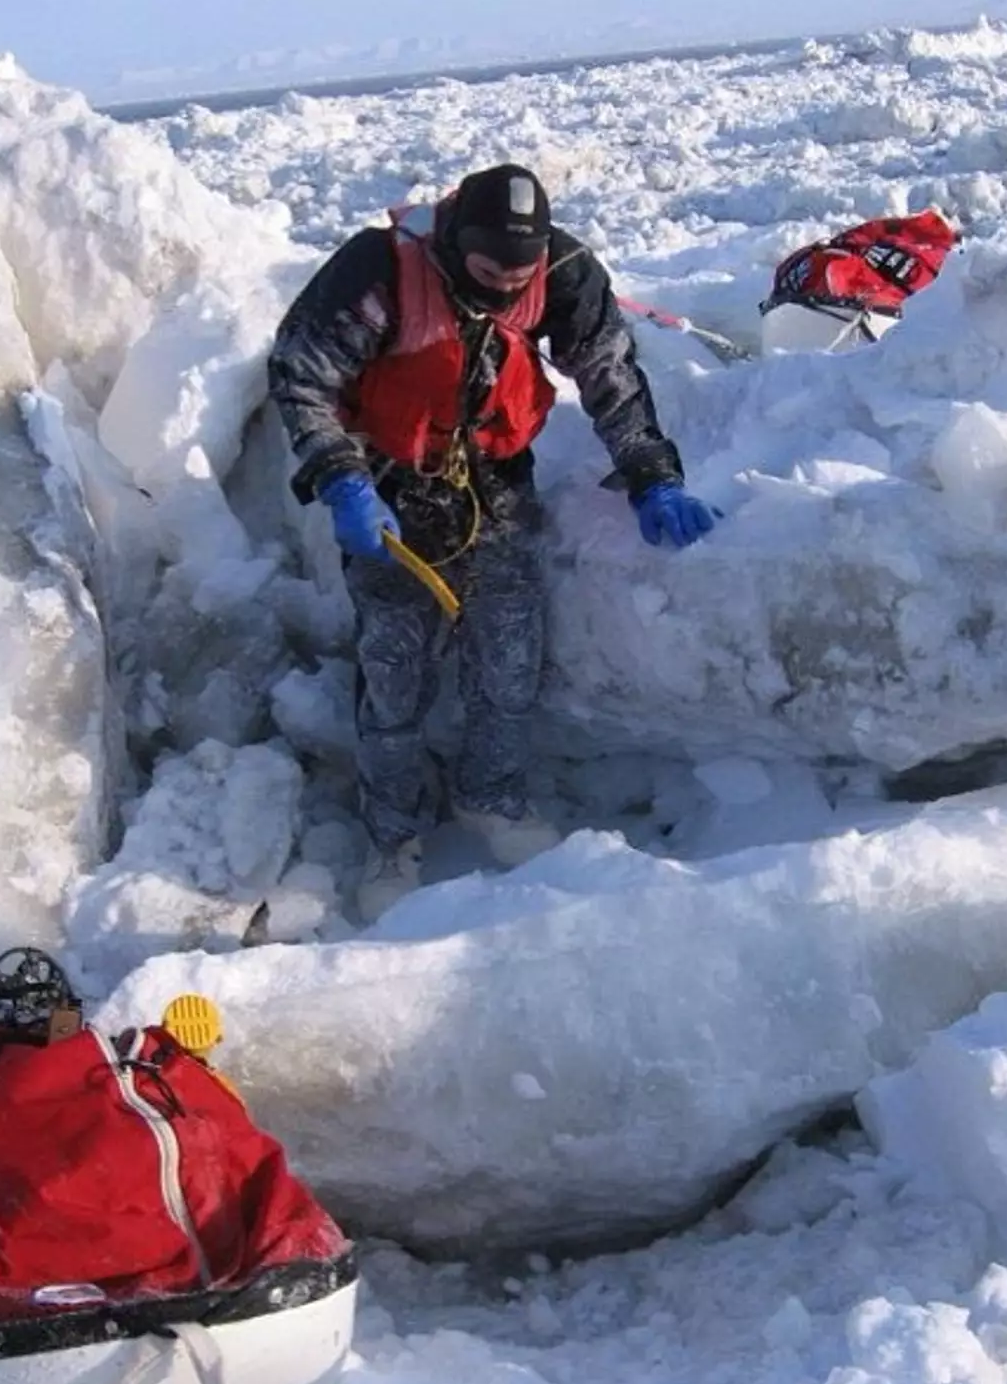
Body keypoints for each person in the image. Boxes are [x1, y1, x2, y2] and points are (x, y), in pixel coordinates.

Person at [267, 163, 715, 920]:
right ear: (455, 246)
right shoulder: (378, 271)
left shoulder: (562, 271)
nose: (505, 291)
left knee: (509, 655)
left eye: (519, 277)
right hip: (389, 488)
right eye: (488, 276)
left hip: (496, 481)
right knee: (395, 671)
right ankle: (393, 834)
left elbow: (609, 374)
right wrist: (342, 480)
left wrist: (651, 474)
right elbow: (300, 374)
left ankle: (493, 797)